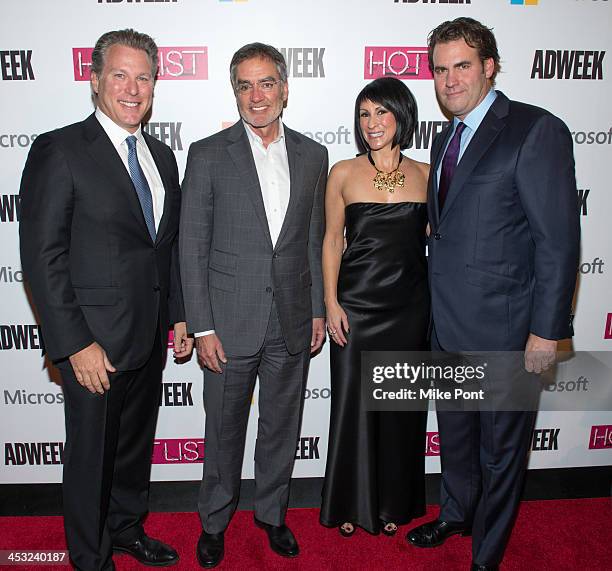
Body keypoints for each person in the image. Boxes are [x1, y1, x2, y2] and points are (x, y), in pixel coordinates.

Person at [406, 18, 580, 571]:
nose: (450, 79)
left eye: (462, 65)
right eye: (440, 68)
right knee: (455, 435)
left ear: (490, 66)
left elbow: (557, 242)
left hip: (508, 330)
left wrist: (547, 330)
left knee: (501, 452)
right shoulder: (446, 134)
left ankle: (487, 554)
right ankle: (455, 513)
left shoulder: (535, 129)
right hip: (447, 323)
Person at [19, 29, 191, 571]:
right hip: (93, 346)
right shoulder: (61, 149)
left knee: (133, 452)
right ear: (94, 81)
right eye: (119, 75)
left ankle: (125, 530)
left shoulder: (162, 156)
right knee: (91, 458)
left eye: (143, 76)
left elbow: (168, 247)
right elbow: (42, 257)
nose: (132, 88)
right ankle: (90, 558)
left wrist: (181, 317)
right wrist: (73, 345)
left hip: (148, 337)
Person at [179, 42, 328, 568]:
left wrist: (313, 309)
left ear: (285, 90)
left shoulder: (314, 155)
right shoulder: (207, 152)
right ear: (234, 92)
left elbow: (313, 239)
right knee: (222, 430)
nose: (256, 95)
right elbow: (191, 246)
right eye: (245, 85)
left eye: (267, 83)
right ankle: (215, 520)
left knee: (281, 426)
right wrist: (202, 326)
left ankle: (272, 514)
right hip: (228, 322)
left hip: (290, 318)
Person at [320, 77, 429, 538]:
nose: (372, 123)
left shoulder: (428, 173)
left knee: (401, 409)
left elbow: (433, 242)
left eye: (381, 112)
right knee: (351, 407)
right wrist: (330, 302)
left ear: (402, 115)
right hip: (356, 308)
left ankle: (393, 505)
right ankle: (350, 502)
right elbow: (331, 241)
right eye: (364, 114)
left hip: (409, 310)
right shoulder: (343, 172)